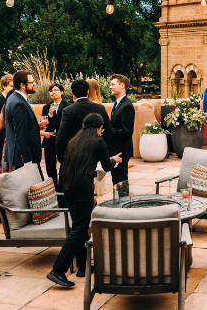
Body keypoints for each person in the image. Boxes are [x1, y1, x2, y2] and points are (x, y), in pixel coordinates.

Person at [47, 113, 122, 288]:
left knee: (78, 226)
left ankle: (82, 267)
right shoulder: (98, 142)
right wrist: (115, 160)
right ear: (98, 127)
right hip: (82, 189)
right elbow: (105, 166)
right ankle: (58, 270)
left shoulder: (74, 141)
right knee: (80, 229)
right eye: (101, 128)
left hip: (68, 187)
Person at [56, 79, 113, 178]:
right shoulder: (100, 108)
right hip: (92, 155)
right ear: (87, 92)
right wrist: (100, 150)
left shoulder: (68, 111)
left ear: (72, 93)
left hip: (73, 156)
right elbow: (108, 132)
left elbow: (61, 137)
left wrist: (63, 158)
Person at [2, 70, 45, 173]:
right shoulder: (18, 103)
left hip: (19, 156)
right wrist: (27, 161)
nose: (34, 84)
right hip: (23, 159)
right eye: (31, 82)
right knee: (33, 187)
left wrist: (34, 126)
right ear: (22, 85)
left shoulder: (13, 98)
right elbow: (21, 134)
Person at [40, 82, 69, 186]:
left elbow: (64, 123)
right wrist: (49, 114)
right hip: (49, 140)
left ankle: (62, 186)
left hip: (63, 140)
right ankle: (53, 187)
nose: (53, 92)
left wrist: (51, 119)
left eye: (56, 90)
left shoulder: (68, 106)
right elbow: (43, 123)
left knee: (64, 164)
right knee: (50, 166)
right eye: (51, 91)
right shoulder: (46, 107)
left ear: (61, 92)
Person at [108, 74, 135, 184]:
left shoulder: (126, 106)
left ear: (122, 85)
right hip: (115, 150)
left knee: (121, 184)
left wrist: (109, 130)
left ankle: (122, 202)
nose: (110, 87)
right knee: (117, 183)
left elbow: (127, 131)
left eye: (113, 84)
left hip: (120, 152)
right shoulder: (118, 103)